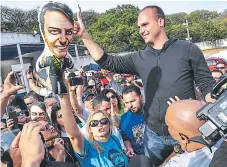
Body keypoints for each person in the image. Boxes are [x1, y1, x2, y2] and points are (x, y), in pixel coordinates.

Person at [73, 5, 216, 166]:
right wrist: (84, 36)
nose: (141, 30)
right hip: (154, 135)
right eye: (139, 27)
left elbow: (207, 86)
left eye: (145, 24)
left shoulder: (188, 49)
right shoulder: (139, 58)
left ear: (160, 21)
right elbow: (107, 61)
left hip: (185, 132)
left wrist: (210, 117)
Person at [58, 93, 129, 167]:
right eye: (94, 123)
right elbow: (74, 136)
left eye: (104, 121)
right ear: (90, 129)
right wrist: (64, 98)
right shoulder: (87, 147)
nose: (100, 125)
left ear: (109, 124)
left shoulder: (114, 139)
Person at [162, 100, 220, 167]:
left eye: (168, 125)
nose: (167, 128)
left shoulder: (180, 164)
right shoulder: (223, 141)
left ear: (183, 138)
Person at [36, 1, 77, 94]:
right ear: (43, 31)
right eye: (54, 31)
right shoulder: (45, 62)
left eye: (68, 32)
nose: (63, 40)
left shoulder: (69, 61)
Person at [120, 85, 145, 155]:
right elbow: (125, 137)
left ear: (141, 97)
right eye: (126, 102)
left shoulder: (152, 112)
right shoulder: (124, 119)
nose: (129, 105)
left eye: (132, 101)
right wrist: (129, 147)